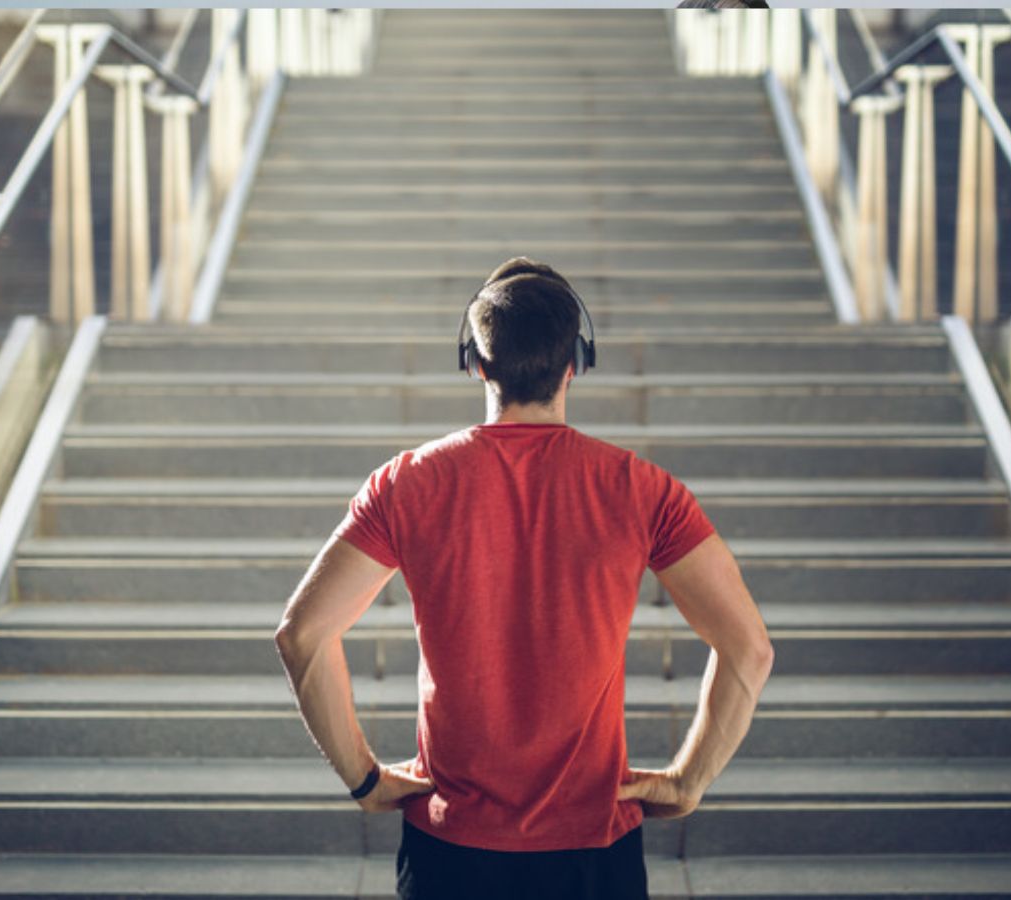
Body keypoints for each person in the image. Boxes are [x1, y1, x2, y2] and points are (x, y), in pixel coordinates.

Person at [274, 257, 775, 900]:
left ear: (475, 363)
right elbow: (750, 650)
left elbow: (302, 636)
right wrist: (687, 780)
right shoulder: (642, 490)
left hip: (452, 847)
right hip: (594, 850)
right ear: (576, 363)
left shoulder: (407, 483)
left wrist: (365, 780)